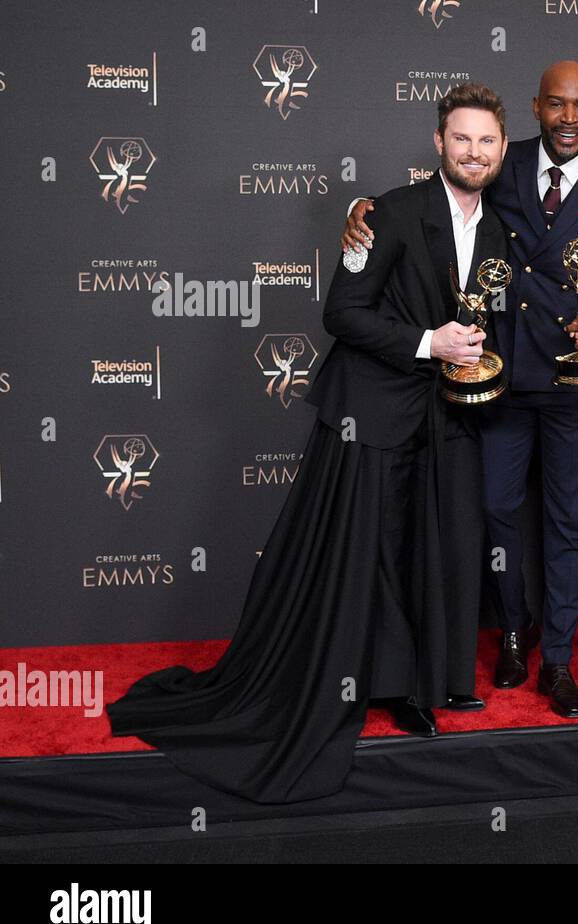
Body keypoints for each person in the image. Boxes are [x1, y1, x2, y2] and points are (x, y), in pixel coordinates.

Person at [106, 84, 511, 802]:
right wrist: (429, 342)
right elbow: (341, 313)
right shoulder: (386, 213)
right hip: (372, 413)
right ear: (438, 143)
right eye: (461, 138)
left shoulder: (500, 231)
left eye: (486, 141)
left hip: (448, 418)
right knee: (372, 553)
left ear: (503, 149)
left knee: (434, 547)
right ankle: (375, 687)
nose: (473, 152)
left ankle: (425, 683)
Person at [343, 62, 578, 719]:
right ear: (536, 108)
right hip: (499, 376)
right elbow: (436, 199)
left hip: (572, 381)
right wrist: (361, 210)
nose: (569, 117)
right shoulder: (502, 162)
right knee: (496, 510)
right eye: (557, 104)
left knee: (568, 522)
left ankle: (558, 658)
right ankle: (514, 629)